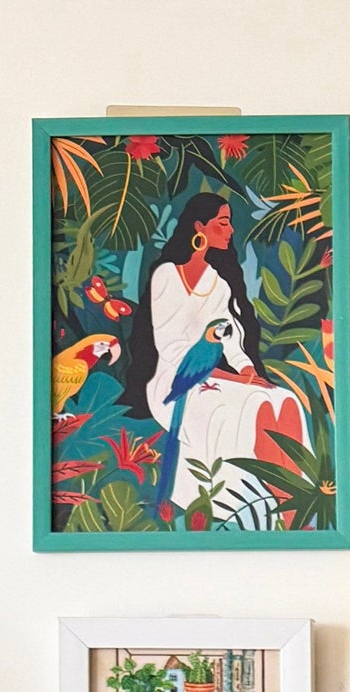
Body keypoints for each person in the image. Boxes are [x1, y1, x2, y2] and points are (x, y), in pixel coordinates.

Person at [117, 194, 303, 525]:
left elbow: (230, 340)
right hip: (173, 382)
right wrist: (238, 380)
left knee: (283, 399)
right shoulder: (166, 275)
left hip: (214, 376)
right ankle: (259, 506)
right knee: (255, 407)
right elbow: (172, 349)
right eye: (223, 223)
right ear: (199, 227)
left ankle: (291, 512)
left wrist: (248, 370)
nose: (230, 230)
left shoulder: (218, 284)